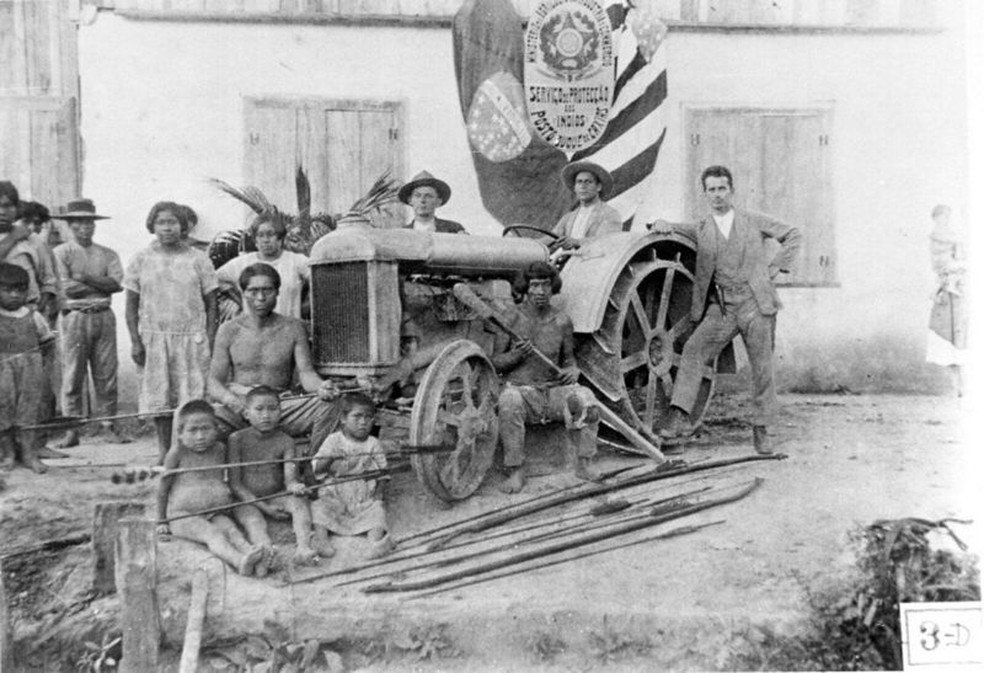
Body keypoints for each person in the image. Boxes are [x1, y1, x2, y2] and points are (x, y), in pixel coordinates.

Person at [648, 165, 801, 454]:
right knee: (694, 350)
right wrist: (660, 223)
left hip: (756, 304)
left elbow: (793, 234)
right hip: (723, 306)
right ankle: (678, 416)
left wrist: (777, 267)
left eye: (722, 188)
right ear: (704, 194)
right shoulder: (702, 227)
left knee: (762, 368)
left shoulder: (752, 220)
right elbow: (672, 227)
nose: (717, 195)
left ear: (731, 190)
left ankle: (762, 429)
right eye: (711, 190)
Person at [491, 262, 602, 493]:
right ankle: (515, 470)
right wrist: (517, 355)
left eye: (545, 285)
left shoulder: (563, 322)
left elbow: (569, 361)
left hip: (553, 395)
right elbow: (494, 363)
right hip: (522, 393)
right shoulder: (511, 318)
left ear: (553, 288)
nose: (540, 292)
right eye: (534, 285)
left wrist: (574, 371)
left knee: (587, 399)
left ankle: (584, 462)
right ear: (525, 288)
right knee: (508, 402)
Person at [124, 202, 219, 462]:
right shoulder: (141, 259)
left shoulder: (198, 259)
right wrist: (135, 341)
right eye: (161, 222)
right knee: (161, 398)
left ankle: (188, 453)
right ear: (152, 226)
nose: (167, 227)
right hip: (155, 338)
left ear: (183, 226)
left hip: (192, 338)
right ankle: (165, 453)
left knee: (191, 397)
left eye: (173, 222)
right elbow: (131, 305)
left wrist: (209, 339)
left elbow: (212, 304)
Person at [208, 263, 339, 449]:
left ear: (277, 292)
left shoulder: (293, 328)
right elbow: (214, 381)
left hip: (279, 406)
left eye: (267, 290)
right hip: (240, 405)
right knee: (196, 415)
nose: (260, 298)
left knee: (331, 404)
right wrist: (232, 402)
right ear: (243, 293)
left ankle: (313, 465)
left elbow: (306, 373)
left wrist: (321, 387)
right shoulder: (229, 330)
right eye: (253, 291)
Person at [156, 400, 272, 577]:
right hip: (184, 515)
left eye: (206, 429)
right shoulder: (177, 453)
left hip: (215, 512)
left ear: (216, 430)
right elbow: (163, 488)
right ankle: (238, 561)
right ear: (180, 433)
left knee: (232, 531)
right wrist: (161, 521)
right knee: (212, 534)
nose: (200, 436)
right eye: (193, 431)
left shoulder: (219, 449)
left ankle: (253, 555)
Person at [52, 199, 129, 446]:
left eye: (88, 222)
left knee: (106, 372)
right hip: (75, 317)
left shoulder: (107, 253)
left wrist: (84, 277)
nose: (84, 227)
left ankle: (108, 425)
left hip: (103, 315)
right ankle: (72, 430)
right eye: (78, 222)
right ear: (70, 225)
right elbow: (66, 287)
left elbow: (116, 284)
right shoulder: (61, 253)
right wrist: (98, 282)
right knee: (73, 373)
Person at [227, 385, 331, 565]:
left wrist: (295, 487)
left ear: (280, 412)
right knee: (254, 521)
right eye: (259, 409)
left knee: (299, 503)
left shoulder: (285, 441)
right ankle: (266, 552)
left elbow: (289, 479)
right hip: (246, 499)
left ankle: (303, 547)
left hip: (276, 495)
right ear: (246, 413)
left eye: (272, 409)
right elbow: (235, 484)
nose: (266, 415)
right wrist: (263, 507)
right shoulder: (237, 439)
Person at [310, 393, 392, 558]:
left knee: (377, 511)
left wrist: (378, 494)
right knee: (319, 507)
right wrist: (330, 458)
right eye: (357, 417)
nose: (363, 422)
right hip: (335, 495)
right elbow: (317, 468)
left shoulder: (373, 444)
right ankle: (321, 541)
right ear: (343, 419)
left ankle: (375, 543)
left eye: (368, 417)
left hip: (363, 498)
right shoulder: (333, 440)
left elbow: (384, 472)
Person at [0, 263, 56, 473]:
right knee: (3, 410)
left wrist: (43, 368)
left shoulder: (33, 316)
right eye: (7, 290)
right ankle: (8, 454)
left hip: (30, 371)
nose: (14, 295)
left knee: (29, 411)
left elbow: (48, 342)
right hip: (2, 370)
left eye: (20, 290)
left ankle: (29, 454)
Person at [216, 212, 310, 319]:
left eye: (270, 234)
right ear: (255, 239)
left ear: (280, 238)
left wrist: (305, 306)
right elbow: (214, 280)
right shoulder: (242, 263)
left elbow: (319, 279)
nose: (265, 240)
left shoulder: (296, 261)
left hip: (288, 327)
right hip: (255, 330)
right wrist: (240, 300)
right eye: (260, 235)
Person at [0, 182, 59, 323]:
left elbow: (48, 282)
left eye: (7, 206)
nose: (2, 211)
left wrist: (37, 311)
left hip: (28, 314)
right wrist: (12, 238)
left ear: (16, 208)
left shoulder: (33, 240)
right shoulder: (17, 235)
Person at [926, 204, 968, 397]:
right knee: (947, 339)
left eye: (947, 217)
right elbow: (942, 263)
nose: (945, 220)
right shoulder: (938, 237)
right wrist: (958, 267)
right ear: (935, 218)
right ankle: (957, 386)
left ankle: (962, 386)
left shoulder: (952, 237)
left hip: (957, 290)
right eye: (941, 217)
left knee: (959, 338)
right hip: (946, 292)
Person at [549, 161, 622, 252]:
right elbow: (550, 238)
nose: (583, 186)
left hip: (594, 263)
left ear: (598, 187)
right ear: (575, 188)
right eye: (579, 182)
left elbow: (608, 242)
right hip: (567, 263)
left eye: (588, 182)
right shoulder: (568, 217)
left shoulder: (609, 214)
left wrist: (577, 242)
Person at [399, 171, 466, 234]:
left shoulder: (453, 229)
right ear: (410, 200)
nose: (422, 200)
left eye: (428, 196)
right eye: (417, 196)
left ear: (438, 202)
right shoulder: (402, 234)